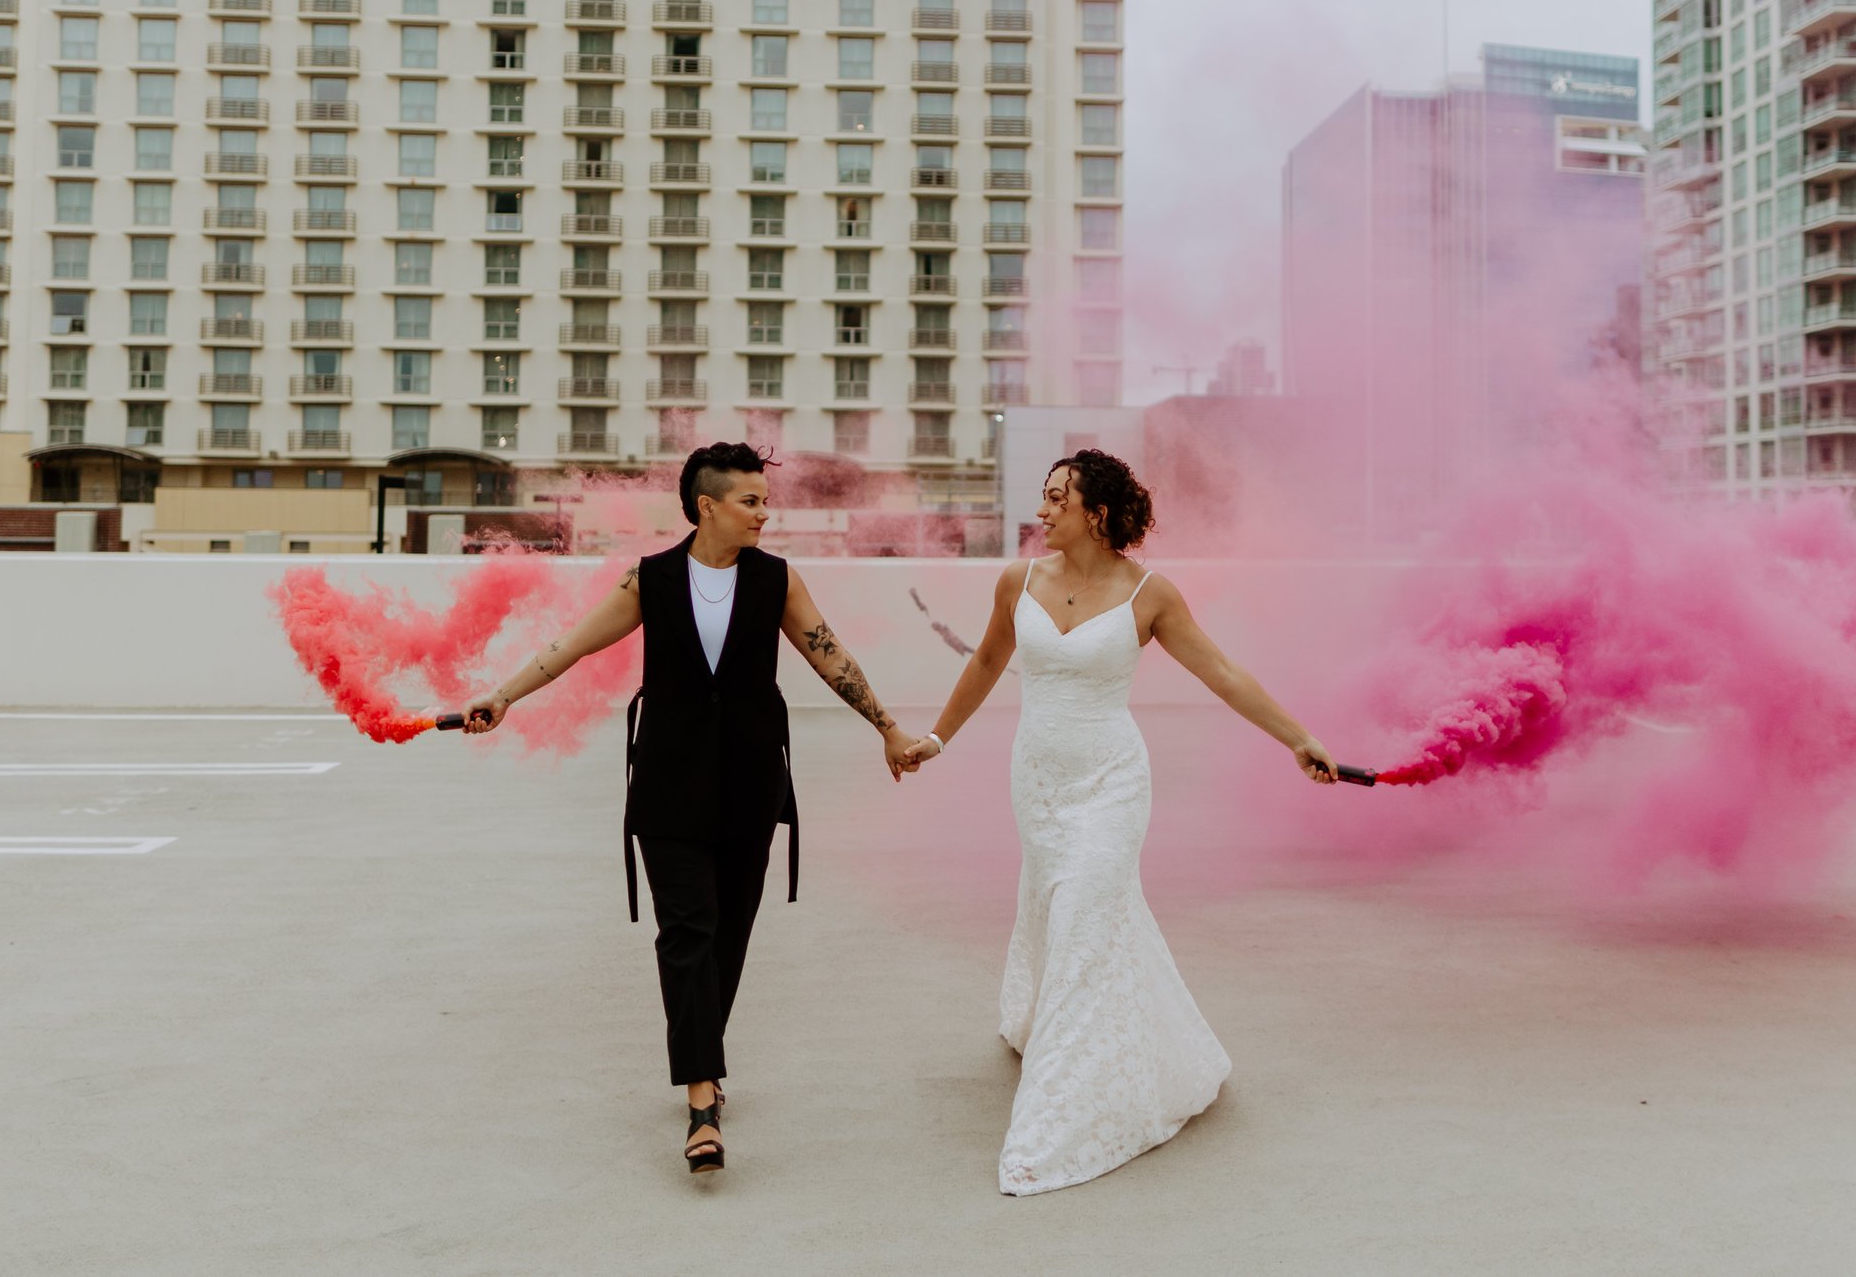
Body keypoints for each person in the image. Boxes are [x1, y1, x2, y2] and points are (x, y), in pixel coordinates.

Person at [895, 448, 1348, 1195]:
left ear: (1095, 512)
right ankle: (1102, 1032)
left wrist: (1299, 737)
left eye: (1054, 499)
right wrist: (935, 738)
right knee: (1061, 908)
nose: (1040, 511)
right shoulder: (1019, 581)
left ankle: (1061, 1111)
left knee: (1084, 911)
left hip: (1112, 783)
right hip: (1039, 783)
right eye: (1042, 498)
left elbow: (1223, 672)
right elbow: (983, 663)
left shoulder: (1150, 593)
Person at [464, 443, 919, 1175]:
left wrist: (888, 727)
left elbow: (831, 655)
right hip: (669, 786)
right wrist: (504, 694)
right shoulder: (651, 579)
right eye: (751, 501)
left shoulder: (776, 580)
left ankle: (705, 1055)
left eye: (765, 501)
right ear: (707, 505)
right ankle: (702, 1100)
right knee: (688, 933)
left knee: (729, 937)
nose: (764, 512)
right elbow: (571, 644)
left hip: (749, 784)